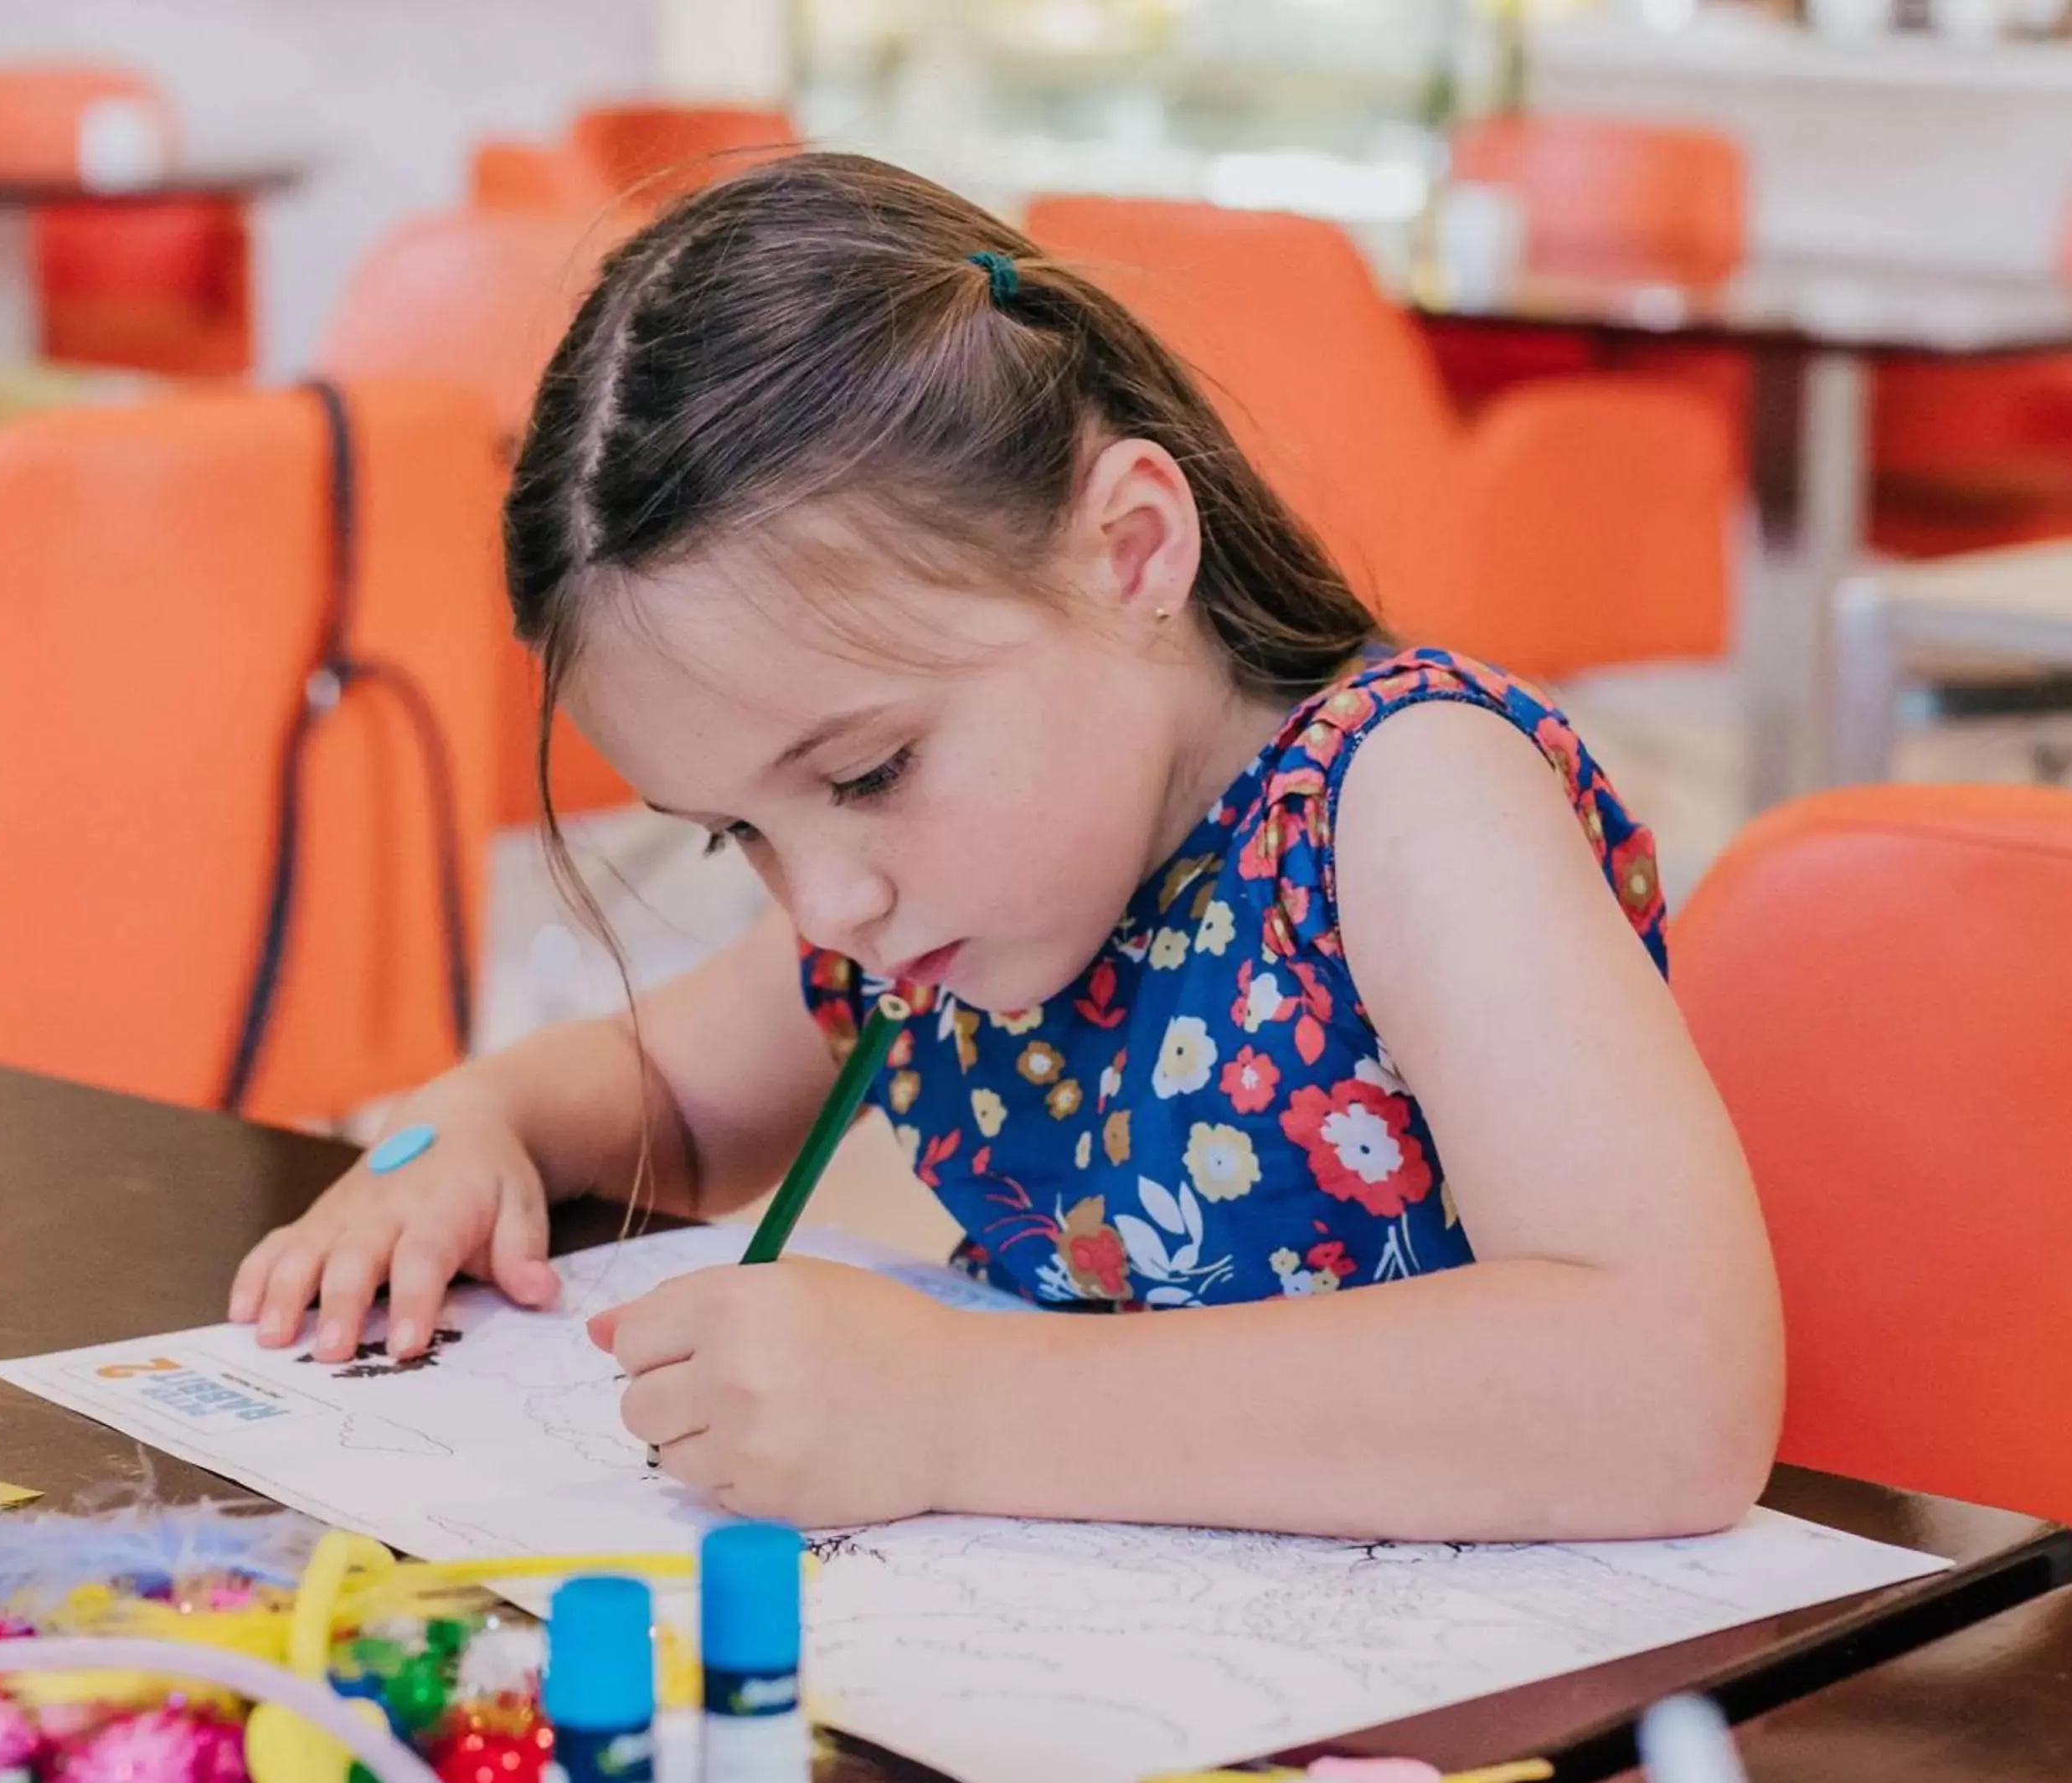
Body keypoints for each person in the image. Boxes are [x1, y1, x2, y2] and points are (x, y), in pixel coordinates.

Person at [232, 154, 1781, 1539]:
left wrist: (960, 1407)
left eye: (872, 769)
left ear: (1131, 552)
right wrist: (457, 1135)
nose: (828, 904)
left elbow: (1671, 1390)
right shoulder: (940, 924)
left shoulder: (1408, 801)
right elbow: (671, 1112)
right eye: (735, 838)